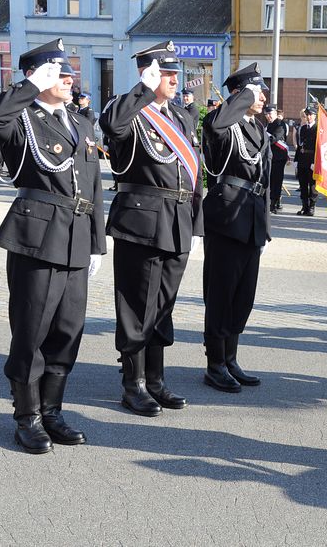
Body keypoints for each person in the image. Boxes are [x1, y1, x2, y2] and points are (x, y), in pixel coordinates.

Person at [0, 39, 106, 454]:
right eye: (59, 73)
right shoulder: (22, 118)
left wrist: (97, 243)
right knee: (31, 329)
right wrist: (31, 85)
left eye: (69, 73)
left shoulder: (81, 122)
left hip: (77, 236)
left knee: (68, 330)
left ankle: (52, 411)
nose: (69, 79)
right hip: (38, 237)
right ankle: (27, 416)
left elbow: (94, 186)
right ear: (37, 76)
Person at [99, 40, 202, 417]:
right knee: (136, 305)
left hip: (177, 221)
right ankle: (134, 384)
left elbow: (194, 173)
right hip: (141, 221)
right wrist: (143, 87)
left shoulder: (181, 117)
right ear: (148, 74)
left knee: (162, 306)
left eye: (176, 73)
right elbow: (111, 125)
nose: (175, 79)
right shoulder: (130, 110)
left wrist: (197, 224)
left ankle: (156, 381)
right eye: (166, 73)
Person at [200, 63, 271, 393]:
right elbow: (215, 125)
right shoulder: (224, 123)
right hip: (226, 218)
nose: (263, 98)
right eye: (257, 92)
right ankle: (215, 363)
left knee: (243, 296)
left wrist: (264, 226)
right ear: (239, 95)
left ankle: (230, 359)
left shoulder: (259, 129)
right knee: (221, 294)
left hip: (251, 219)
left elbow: (264, 181)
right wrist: (243, 98)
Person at [264, 104, 289, 213]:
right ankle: (271, 202)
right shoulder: (268, 125)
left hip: (278, 157)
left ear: (275, 113)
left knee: (276, 181)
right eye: (266, 114)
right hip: (270, 156)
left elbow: (274, 138)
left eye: (269, 113)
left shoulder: (280, 124)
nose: (268, 116)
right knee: (269, 180)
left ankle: (274, 204)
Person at [294, 107, 318, 216]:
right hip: (302, 158)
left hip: (312, 159)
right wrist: (296, 159)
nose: (308, 117)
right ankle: (305, 206)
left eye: (310, 115)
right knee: (303, 184)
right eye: (307, 115)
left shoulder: (318, 128)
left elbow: (319, 147)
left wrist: (315, 162)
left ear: (315, 116)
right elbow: (300, 145)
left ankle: (312, 207)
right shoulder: (303, 128)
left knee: (312, 185)